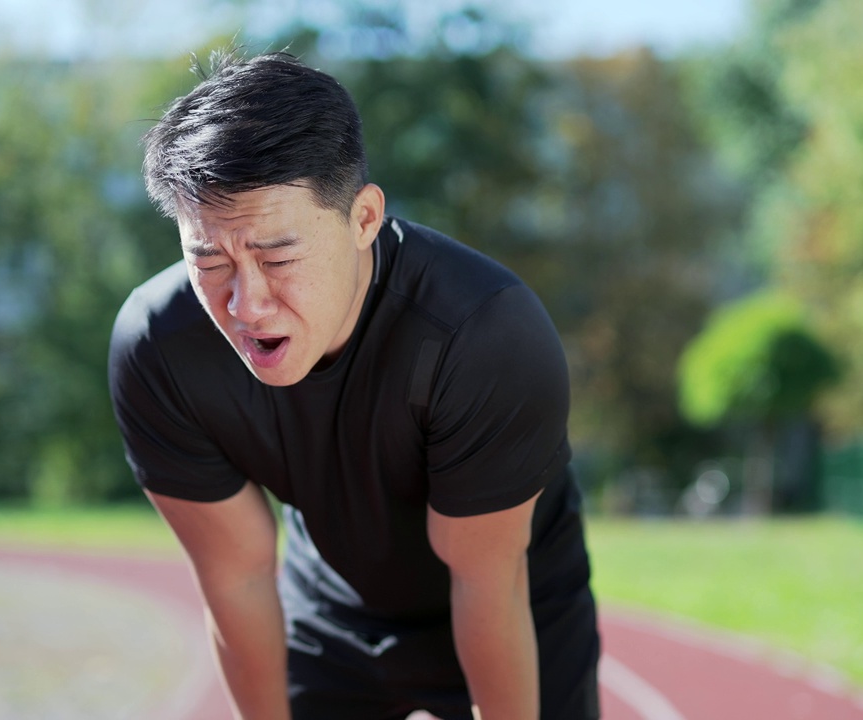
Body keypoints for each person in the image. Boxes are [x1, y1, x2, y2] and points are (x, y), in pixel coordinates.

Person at [107, 49, 601, 720]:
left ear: (364, 218)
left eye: (278, 255)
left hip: (511, 597)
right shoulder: (159, 348)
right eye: (210, 259)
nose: (246, 303)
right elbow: (237, 577)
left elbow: (487, 583)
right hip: (331, 608)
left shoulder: (483, 335)